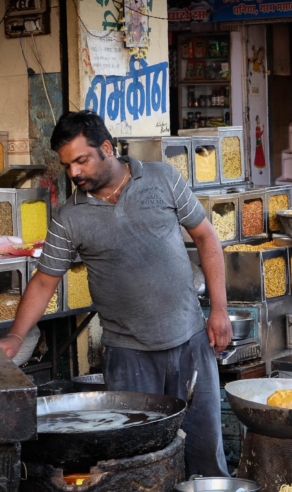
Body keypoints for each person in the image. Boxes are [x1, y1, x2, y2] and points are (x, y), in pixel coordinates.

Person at [0, 110, 232, 478]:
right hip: (128, 357)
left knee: (205, 452)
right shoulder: (69, 216)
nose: (74, 173)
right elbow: (45, 280)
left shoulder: (162, 177)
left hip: (190, 342)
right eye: (68, 165)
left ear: (105, 147)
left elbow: (206, 237)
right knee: (136, 464)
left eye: (81, 160)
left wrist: (219, 309)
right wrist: (14, 335)